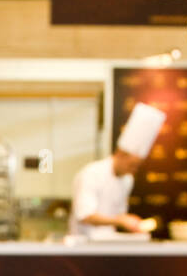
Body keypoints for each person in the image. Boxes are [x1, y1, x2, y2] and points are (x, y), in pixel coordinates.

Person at [69, 102, 165, 239]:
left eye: (137, 167)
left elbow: (119, 215)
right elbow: (85, 215)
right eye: (132, 165)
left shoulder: (127, 180)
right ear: (120, 154)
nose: (133, 171)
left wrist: (131, 223)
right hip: (84, 245)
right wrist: (121, 221)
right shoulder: (91, 173)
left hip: (110, 242)